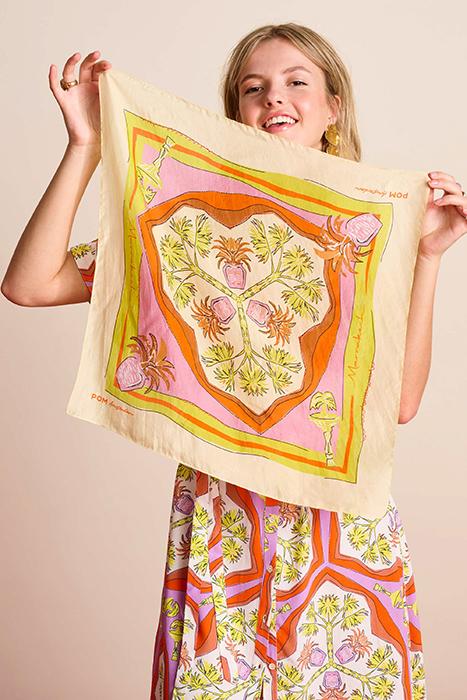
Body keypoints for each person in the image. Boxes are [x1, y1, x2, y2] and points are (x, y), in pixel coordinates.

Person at [2, 22, 466, 700]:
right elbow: (29, 284)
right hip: (224, 524)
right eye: (253, 88)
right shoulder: (188, 226)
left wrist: (426, 257)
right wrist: (87, 147)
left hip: (340, 533)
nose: (273, 97)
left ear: (332, 108)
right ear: (236, 113)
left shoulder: (366, 235)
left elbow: (396, 404)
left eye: (296, 82)